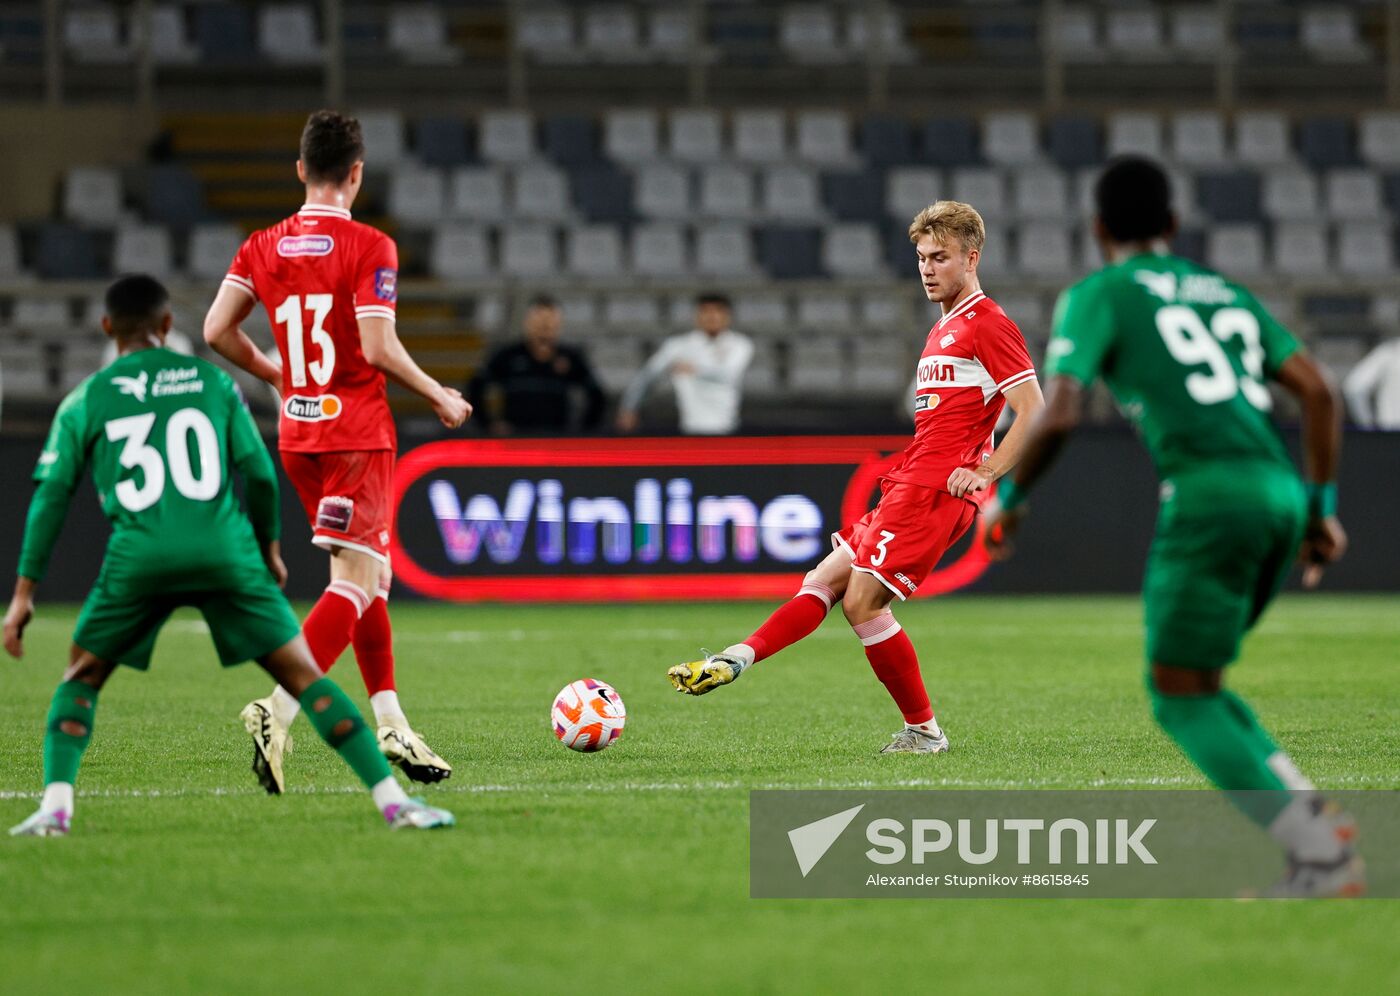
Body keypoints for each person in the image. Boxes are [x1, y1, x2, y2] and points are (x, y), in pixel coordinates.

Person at [983, 156, 1360, 897]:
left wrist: (1010, 497)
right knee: (1202, 684)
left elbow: (1060, 411)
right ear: (1173, 227)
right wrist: (1320, 512)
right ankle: (1317, 833)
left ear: (1098, 231)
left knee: (1179, 696)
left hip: (1208, 496)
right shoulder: (1225, 290)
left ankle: (1320, 857)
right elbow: (1319, 392)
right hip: (1279, 493)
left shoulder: (1102, 293)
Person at [3, 276, 453, 835]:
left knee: (80, 677)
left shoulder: (86, 399)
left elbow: (50, 497)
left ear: (106, 328)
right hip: (225, 554)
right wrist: (268, 549)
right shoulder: (212, 382)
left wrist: (24, 594)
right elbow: (259, 473)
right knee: (306, 679)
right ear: (168, 326)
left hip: (137, 559)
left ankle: (55, 809)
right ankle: (395, 804)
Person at [669, 202, 1044, 754]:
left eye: (940, 258)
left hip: (932, 491)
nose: (927, 269)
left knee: (862, 602)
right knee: (823, 580)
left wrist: (985, 470)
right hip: (909, 480)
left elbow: (1034, 411)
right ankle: (734, 659)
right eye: (921, 258)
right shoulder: (945, 326)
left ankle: (924, 732)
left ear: (972, 257)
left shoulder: (987, 322)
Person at [203, 110, 471, 791]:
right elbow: (377, 348)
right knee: (356, 580)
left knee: (366, 576)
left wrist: (275, 373)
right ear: (356, 173)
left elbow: (216, 331)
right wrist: (436, 391)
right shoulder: (370, 245)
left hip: (298, 432)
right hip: (355, 432)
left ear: (301, 170)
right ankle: (277, 707)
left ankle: (390, 721)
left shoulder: (261, 245)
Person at [616, 293, 753, 435]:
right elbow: (647, 375)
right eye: (705, 311)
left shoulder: (740, 344)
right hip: (690, 428)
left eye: (718, 311)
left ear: (727, 315)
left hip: (728, 427)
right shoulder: (678, 346)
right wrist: (629, 407)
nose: (712, 316)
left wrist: (694, 369)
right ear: (697, 315)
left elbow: (729, 374)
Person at [468, 294, 606, 434]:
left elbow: (596, 394)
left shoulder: (571, 357)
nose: (544, 327)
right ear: (527, 323)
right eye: (539, 322)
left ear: (559, 325)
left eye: (550, 322)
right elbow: (476, 387)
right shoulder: (508, 355)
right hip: (515, 439)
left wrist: (582, 429)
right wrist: (488, 424)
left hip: (557, 439)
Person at [1341, 336, 1400, 429]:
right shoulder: (1390, 352)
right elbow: (1354, 389)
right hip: (1391, 432)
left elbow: (1354, 388)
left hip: (1390, 434)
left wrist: (1368, 427)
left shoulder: (1389, 352)